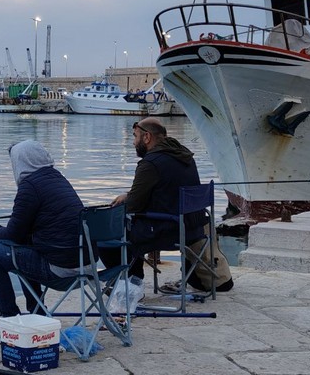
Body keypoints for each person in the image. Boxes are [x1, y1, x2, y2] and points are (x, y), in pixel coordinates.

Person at [0, 139, 90, 344]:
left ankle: (8, 320)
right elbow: (20, 233)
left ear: (20, 162)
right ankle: (37, 314)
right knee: (21, 249)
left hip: (60, 270)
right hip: (85, 266)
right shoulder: (58, 179)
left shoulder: (30, 187)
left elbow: (12, 236)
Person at [99, 118, 233, 292]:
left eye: (135, 136)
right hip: (192, 229)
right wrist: (130, 195)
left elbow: (133, 207)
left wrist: (126, 202)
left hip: (167, 230)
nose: (133, 142)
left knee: (108, 233)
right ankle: (130, 281)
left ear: (146, 137)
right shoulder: (184, 157)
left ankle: (129, 285)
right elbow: (167, 190)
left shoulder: (150, 163)